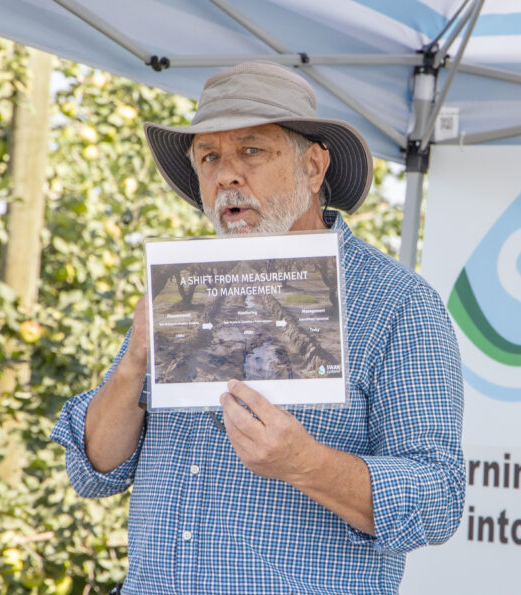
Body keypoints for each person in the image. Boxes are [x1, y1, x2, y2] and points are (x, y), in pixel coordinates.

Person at [50, 61, 465, 594]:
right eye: (210, 157)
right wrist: (134, 362)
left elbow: (437, 498)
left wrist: (305, 463)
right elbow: (94, 469)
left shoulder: (397, 304)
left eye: (251, 150)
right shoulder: (183, 287)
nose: (226, 174)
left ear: (314, 168)